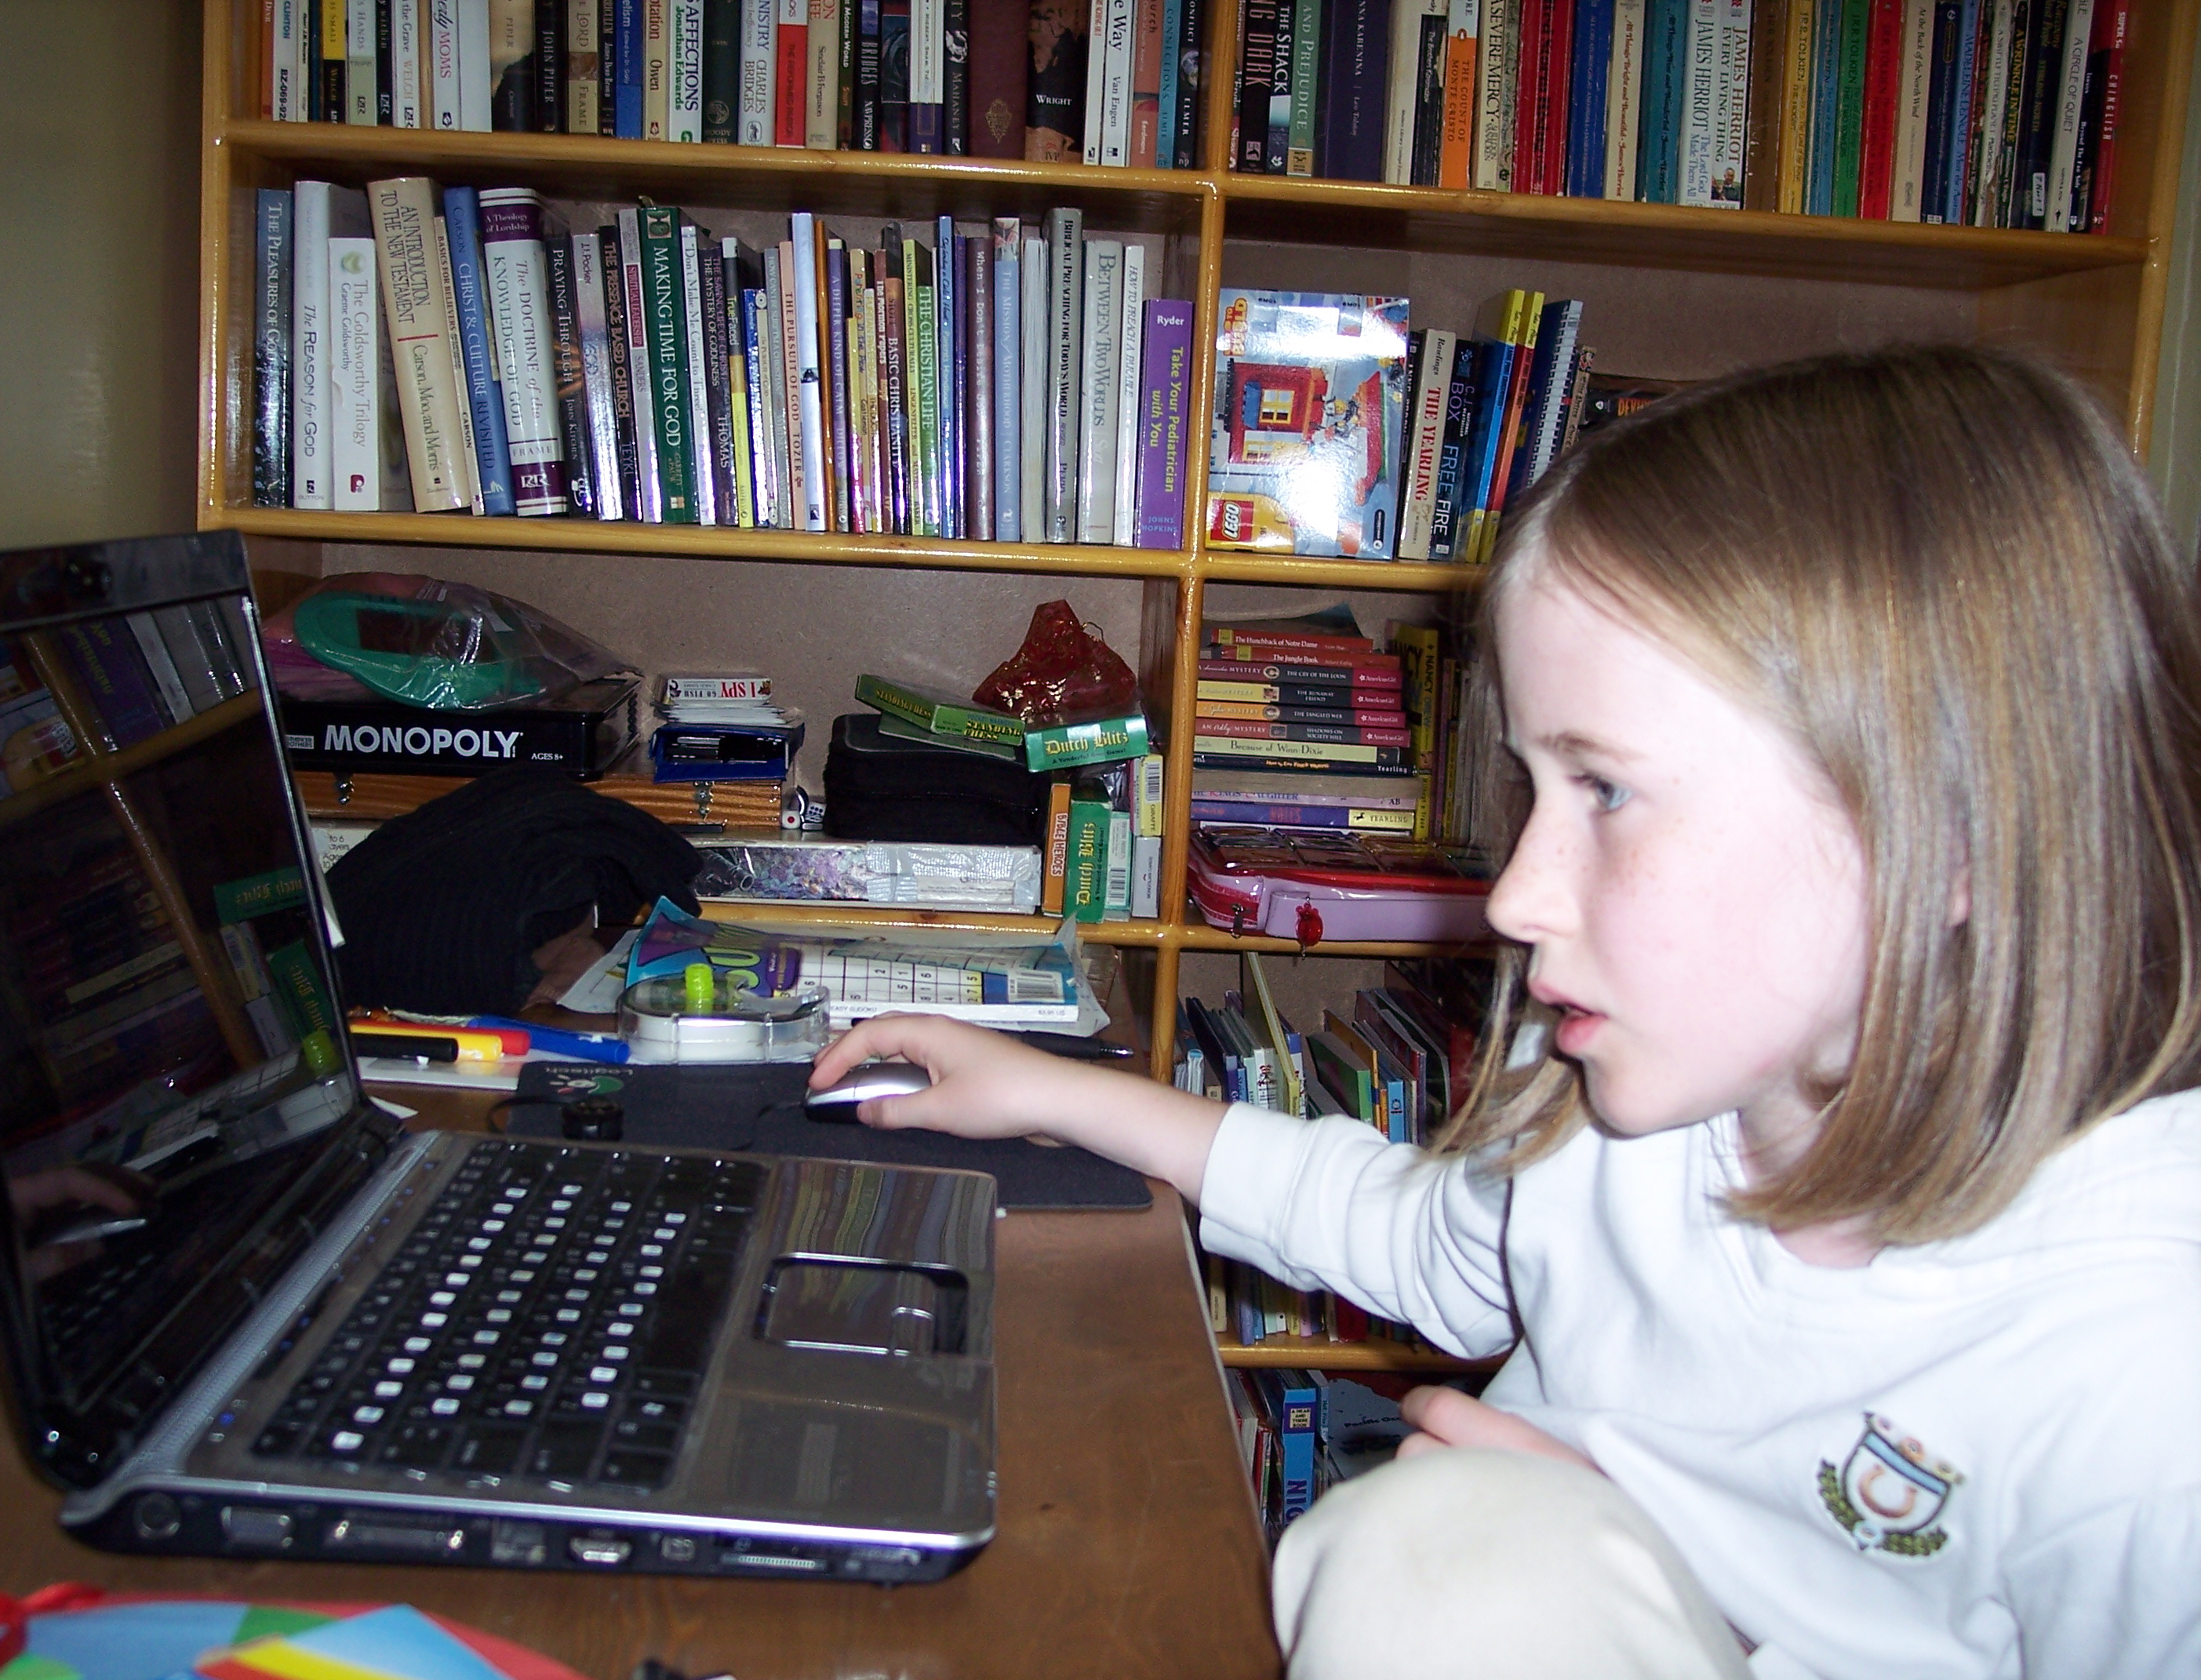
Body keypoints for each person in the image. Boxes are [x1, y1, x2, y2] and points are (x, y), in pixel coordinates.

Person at [809, 345, 2201, 1679]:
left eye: (1608, 790)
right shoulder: (1628, 1082)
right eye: (1536, 788)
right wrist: (1055, 1090)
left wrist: (1655, 1609)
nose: (1519, 894)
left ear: (1950, 837)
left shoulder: (2142, 1363)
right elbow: (1416, 1235)